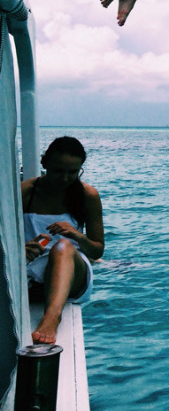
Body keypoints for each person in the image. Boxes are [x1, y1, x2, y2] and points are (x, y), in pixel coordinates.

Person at [21, 137, 104, 344]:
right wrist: (21, 250)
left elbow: (97, 251)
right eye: (58, 171)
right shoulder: (24, 193)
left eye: (73, 172)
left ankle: (52, 317)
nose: (65, 179)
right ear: (44, 163)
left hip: (71, 273)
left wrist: (78, 236)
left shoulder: (87, 195)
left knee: (63, 246)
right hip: (30, 272)